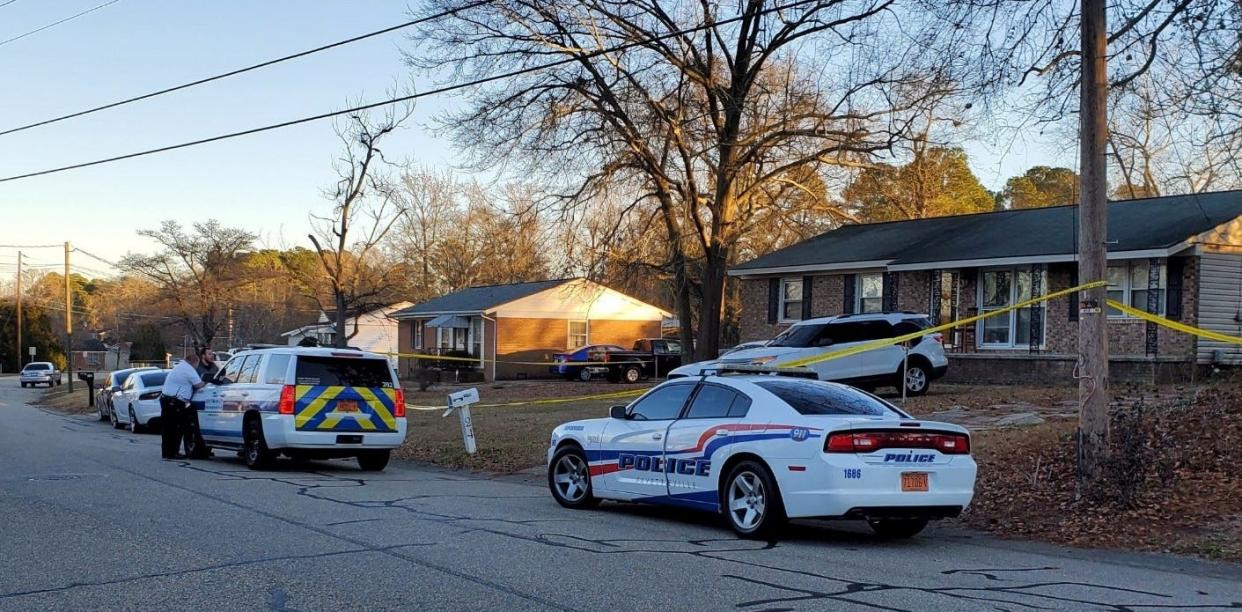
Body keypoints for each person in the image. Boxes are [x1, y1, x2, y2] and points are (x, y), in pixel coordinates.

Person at [160, 352, 205, 460]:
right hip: (175, 402)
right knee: (177, 428)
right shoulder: (189, 370)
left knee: (167, 428)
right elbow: (198, 384)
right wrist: (206, 382)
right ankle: (173, 452)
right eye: (197, 364)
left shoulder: (179, 367)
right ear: (194, 362)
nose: (197, 367)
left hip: (166, 399)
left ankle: (167, 452)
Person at [182, 347, 220, 459]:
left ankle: (206, 447)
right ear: (203, 356)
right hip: (195, 399)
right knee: (194, 426)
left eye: (212, 354)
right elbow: (194, 383)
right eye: (209, 354)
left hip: (210, 399)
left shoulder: (214, 367)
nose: (212, 356)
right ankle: (195, 447)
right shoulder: (196, 368)